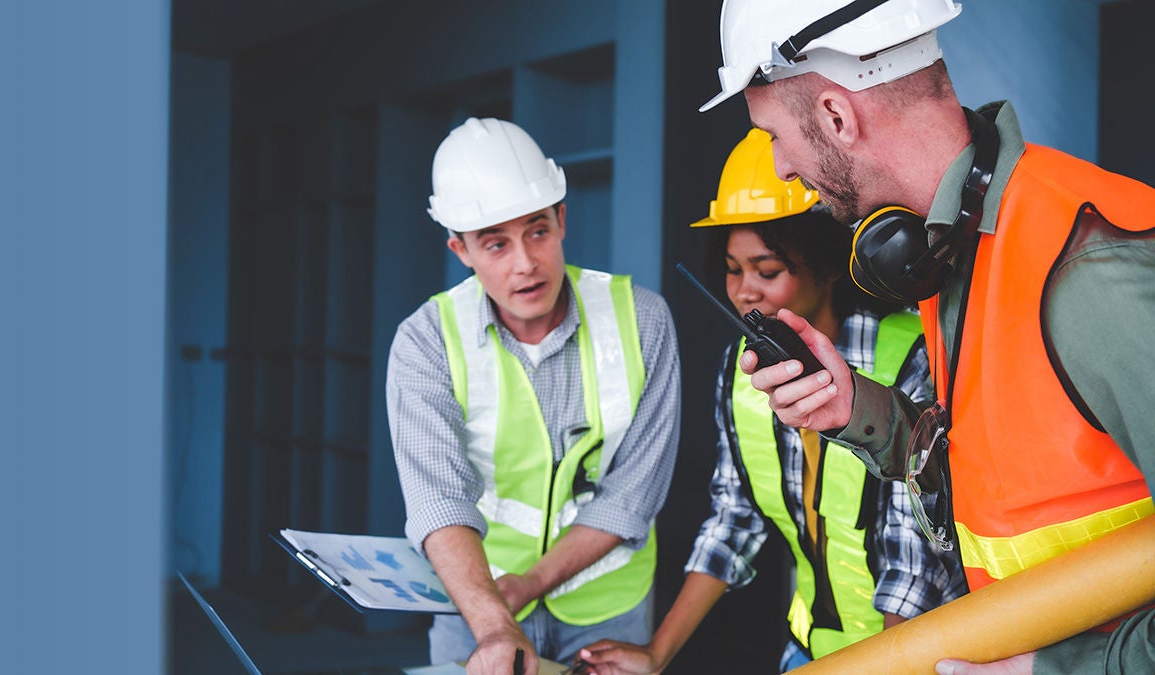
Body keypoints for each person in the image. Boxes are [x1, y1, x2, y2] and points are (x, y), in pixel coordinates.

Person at [697, 1, 1155, 673]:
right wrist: (857, 408)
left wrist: (1059, 667)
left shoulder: (1088, 269)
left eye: (773, 136)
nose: (782, 168)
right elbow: (1004, 471)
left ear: (835, 116)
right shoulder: (948, 253)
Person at [576, 129, 965, 674]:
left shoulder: (909, 356)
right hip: (808, 654)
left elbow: (915, 559)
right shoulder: (743, 372)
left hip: (920, 659)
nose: (743, 293)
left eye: (767, 271)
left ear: (827, 264)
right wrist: (656, 654)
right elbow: (733, 522)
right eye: (734, 271)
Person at [386, 117, 681, 675]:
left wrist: (533, 582)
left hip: (607, 609)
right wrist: (495, 620)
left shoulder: (642, 320)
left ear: (562, 219)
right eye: (495, 243)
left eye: (537, 230)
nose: (525, 262)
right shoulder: (426, 341)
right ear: (461, 250)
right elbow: (437, 499)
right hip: (476, 602)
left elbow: (633, 495)